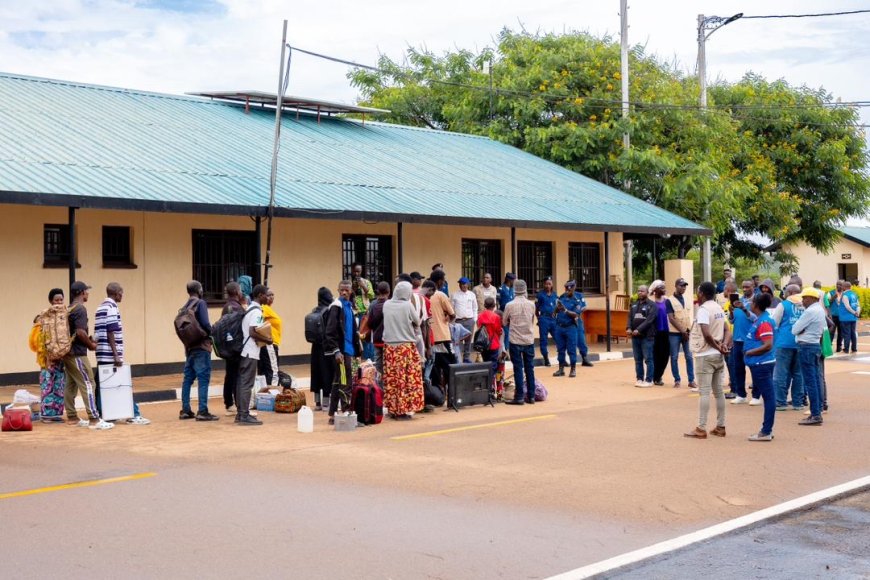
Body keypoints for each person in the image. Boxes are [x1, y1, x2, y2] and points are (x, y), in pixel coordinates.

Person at [94, 282, 150, 425]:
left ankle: (103, 414)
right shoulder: (112, 308)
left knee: (102, 386)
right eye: (121, 293)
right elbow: (110, 331)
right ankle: (133, 414)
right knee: (122, 384)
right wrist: (116, 355)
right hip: (110, 355)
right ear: (116, 293)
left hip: (101, 353)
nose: (122, 296)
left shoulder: (100, 307)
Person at [63, 281, 113, 430]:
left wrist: (87, 340)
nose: (88, 293)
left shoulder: (69, 308)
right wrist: (91, 345)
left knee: (71, 383)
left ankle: (72, 416)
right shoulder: (80, 309)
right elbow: (79, 332)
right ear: (82, 292)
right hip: (77, 353)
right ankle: (94, 419)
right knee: (89, 383)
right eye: (87, 291)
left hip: (67, 352)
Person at [684, 282, 731, 439]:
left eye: (698, 292)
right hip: (718, 355)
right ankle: (720, 426)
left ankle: (701, 428)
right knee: (718, 392)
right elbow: (727, 329)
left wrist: (718, 347)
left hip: (706, 355)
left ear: (702, 294)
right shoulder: (718, 308)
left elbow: (706, 334)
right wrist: (723, 345)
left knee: (704, 392)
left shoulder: (704, 310)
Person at [382, 281, 424, 419]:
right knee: (407, 380)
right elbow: (417, 321)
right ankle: (404, 409)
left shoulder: (386, 304)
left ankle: (393, 409)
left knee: (393, 379)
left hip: (389, 348)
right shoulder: (407, 305)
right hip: (405, 348)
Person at [177, 281, 217, 421]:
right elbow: (205, 324)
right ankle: (203, 411)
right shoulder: (200, 303)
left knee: (187, 379)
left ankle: (186, 410)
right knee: (203, 378)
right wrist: (212, 334)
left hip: (189, 348)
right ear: (199, 290)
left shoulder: (184, 308)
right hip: (201, 347)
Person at [324, 280, 361, 423]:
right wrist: (336, 351)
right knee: (346, 381)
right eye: (342, 290)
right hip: (341, 351)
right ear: (338, 290)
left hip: (349, 350)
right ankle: (346, 412)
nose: (344, 292)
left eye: (347, 290)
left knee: (338, 381)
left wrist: (356, 352)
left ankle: (333, 414)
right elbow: (330, 331)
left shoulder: (349, 307)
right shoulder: (336, 306)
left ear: (351, 291)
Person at [234, 284, 270, 426]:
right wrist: (267, 340)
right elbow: (253, 332)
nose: (268, 297)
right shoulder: (257, 312)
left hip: (246, 351)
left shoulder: (250, 309)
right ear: (260, 295)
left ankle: (240, 414)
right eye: (266, 294)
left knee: (242, 382)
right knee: (246, 384)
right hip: (250, 352)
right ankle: (244, 415)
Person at [743, 293, 777, 442]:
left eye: (752, 302)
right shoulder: (760, 319)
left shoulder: (764, 322)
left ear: (756, 305)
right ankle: (767, 430)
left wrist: (749, 352)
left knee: (769, 397)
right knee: (768, 396)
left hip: (762, 364)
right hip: (760, 363)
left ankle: (766, 431)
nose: (750, 303)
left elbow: (768, 345)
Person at [793, 287, 828, 426]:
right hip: (814, 346)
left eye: (805, 298)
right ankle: (817, 410)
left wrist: (801, 330)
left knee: (810, 382)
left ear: (813, 299)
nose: (803, 300)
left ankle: (815, 415)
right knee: (814, 379)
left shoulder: (810, 311)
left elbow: (794, 329)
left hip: (806, 347)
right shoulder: (820, 310)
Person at [771, 284, 805, 411]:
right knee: (798, 374)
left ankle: (780, 402)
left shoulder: (783, 305)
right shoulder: (805, 305)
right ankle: (798, 403)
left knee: (781, 373)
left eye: (785, 291)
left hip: (784, 343)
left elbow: (774, 322)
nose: (784, 293)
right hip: (800, 343)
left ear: (790, 292)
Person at [503, 280, 538, 404]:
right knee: (530, 368)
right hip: (529, 340)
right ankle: (532, 396)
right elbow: (532, 320)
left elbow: (504, 322)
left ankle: (519, 397)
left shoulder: (509, 305)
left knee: (518, 368)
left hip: (515, 341)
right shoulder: (531, 305)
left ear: (514, 290)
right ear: (525, 290)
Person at [35, 288, 66, 423]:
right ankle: (46, 415)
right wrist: (46, 357)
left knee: (59, 386)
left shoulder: (65, 316)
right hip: (47, 358)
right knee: (47, 386)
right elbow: (39, 338)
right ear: (50, 301)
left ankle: (56, 414)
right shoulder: (44, 316)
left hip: (60, 359)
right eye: (56, 300)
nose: (59, 302)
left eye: (61, 299)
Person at [428, 270, 457, 392]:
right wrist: (448, 315)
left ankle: (437, 393)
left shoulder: (424, 296)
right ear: (439, 281)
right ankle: (452, 394)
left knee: (434, 367)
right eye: (443, 281)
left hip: (429, 338)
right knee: (450, 366)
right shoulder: (440, 295)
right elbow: (453, 314)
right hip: (443, 336)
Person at [729, 281, 756, 405]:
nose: (745, 289)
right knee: (738, 368)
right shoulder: (738, 300)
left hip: (751, 340)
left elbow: (756, 319)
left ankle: (756, 396)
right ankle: (741, 394)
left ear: (753, 287)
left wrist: (744, 308)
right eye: (743, 287)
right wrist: (731, 311)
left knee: (754, 368)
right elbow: (732, 321)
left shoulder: (756, 301)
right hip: (737, 340)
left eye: (747, 287)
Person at [221, 281, 245, 416]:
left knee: (230, 374)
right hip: (235, 347)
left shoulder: (227, 306)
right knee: (235, 375)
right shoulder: (235, 307)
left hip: (228, 346)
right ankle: (233, 404)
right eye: (240, 290)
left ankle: (229, 403)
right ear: (236, 292)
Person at [667, 278, 695, 389]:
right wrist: (682, 331)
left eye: (685, 286)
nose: (683, 288)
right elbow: (671, 318)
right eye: (681, 285)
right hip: (674, 333)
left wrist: (688, 331)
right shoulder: (669, 300)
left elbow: (688, 316)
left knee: (689, 356)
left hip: (687, 332)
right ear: (676, 286)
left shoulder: (687, 299)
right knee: (674, 357)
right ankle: (677, 380)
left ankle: (691, 380)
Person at [310, 287, 334, 411]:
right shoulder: (328, 311)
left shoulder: (314, 310)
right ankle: (326, 403)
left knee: (316, 373)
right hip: (326, 347)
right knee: (326, 372)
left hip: (315, 346)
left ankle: (317, 403)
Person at [628, 285, 657, 387]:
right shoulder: (634, 305)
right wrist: (629, 328)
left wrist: (638, 330)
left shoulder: (652, 305)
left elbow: (649, 320)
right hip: (635, 337)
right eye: (638, 291)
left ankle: (649, 380)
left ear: (647, 292)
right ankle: (639, 378)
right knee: (638, 359)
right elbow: (630, 318)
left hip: (647, 337)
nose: (640, 292)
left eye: (642, 291)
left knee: (648, 359)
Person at [553, 280, 581, 377]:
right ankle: (561, 369)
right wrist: (556, 309)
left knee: (571, 349)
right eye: (566, 288)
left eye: (569, 288)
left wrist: (565, 310)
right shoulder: (562, 297)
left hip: (570, 328)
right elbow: (556, 309)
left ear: (573, 288)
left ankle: (573, 369)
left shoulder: (576, 301)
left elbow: (575, 314)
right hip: (560, 327)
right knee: (560, 349)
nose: (567, 290)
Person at [477, 297, 503, 396]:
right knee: (493, 367)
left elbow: (479, 327)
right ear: (494, 306)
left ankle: (486, 388)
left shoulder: (480, 316)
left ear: (484, 305)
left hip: (483, 344)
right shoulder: (496, 317)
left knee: (486, 364)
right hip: (493, 344)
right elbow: (498, 330)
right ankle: (490, 389)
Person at [351, 263, 376, 361]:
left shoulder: (367, 282)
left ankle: (369, 359)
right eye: (355, 271)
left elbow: (371, 296)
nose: (357, 273)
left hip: (365, 313)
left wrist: (363, 286)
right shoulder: (348, 283)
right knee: (355, 338)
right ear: (352, 271)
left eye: (359, 271)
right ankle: (358, 360)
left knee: (366, 337)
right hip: (354, 313)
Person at [259, 288, 282, 387]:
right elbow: (259, 318)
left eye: (273, 294)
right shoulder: (264, 307)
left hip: (270, 344)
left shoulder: (269, 309)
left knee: (265, 372)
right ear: (263, 296)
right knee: (273, 372)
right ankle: (273, 396)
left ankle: (264, 397)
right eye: (269, 295)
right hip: (269, 344)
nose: (271, 297)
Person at [367, 282, 391, 376]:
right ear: (389, 292)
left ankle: (379, 387)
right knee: (388, 364)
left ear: (377, 291)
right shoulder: (391, 304)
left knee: (378, 363)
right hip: (389, 339)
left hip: (376, 338)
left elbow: (370, 323)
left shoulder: (373, 304)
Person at [451, 277, 477, 363]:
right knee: (457, 340)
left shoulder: (472, 295)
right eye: (462, 284)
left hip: (469, 320)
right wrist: (453, 321)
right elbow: (451, 308)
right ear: (459, 285)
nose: (464, 286)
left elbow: (475, 307)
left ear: (468, 285)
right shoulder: (454, 295)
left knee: (468, 340)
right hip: (458, 321)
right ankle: (457, 357)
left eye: (465, 284)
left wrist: (474, 319)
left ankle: (466, 357)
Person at [649, 280, 670, 386]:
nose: (664, 289)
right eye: (661, 287)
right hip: (654, 332)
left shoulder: (667, 301)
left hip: (666, 331)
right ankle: (654, 377)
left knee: (665, 355)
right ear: (655, 289)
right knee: (655, 355)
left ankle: (658, 375)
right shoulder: (651, 301)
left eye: (664, 287)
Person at [535, 277, 558, 367]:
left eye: (549, 284)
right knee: (543, 341)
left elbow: (558, 306)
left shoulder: (555, 295)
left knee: (558, 339)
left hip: (553, 320)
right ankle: (546, 359)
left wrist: (555, 313)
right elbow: (536, 309)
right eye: (546, 284)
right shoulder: (540, 295)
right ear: (544, 284)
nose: (548, 285)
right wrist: (539, 319)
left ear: (552, 284)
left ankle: (562, 358)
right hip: (544, 319)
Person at [573, 286, 594, 369]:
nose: (570, 288)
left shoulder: (579, 295)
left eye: (572, 286)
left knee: (581, 340)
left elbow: (584, 306)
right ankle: (567, 361)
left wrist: (577, 312)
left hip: (578, 320)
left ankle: (584, 358)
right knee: (570, 342)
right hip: (568, 321)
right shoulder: (564, 297)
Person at [838, 281, 861, 353]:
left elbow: (847, 307)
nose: (841, 287)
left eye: (842, 286)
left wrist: (854, 312)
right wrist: (857, 312)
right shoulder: (854, 294)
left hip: (845, 318)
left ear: (844, 287)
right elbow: (858, 305)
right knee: (853, 333)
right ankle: (854, 348)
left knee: (846, 333)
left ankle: (846, 349)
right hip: (853, 317)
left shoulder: (845, 295)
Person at [825, 281, 843, 351]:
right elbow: (827, 302)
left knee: (840, 332)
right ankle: (829, 346)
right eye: (837, 285)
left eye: (840, 285)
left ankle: (839, 347)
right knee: (831, 331)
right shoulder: (831, 292)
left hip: (841, 316)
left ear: (842, 286)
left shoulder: (844, 294)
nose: (838, 286)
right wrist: (833, 297)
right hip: (833, 316)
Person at [498, 273, 516, 345]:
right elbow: (497, 301)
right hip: (503, 313)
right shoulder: (501, 288)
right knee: (505, 332)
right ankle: (506, 350)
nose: (514, 281)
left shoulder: (513, 289)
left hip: (512, 314)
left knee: (512, 333)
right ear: (509, 280)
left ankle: (509, 349)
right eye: (513, 280)